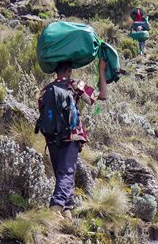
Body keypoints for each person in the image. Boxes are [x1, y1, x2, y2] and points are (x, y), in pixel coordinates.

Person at [40, 59, 108, 220]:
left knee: (61, 174)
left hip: (51, 137)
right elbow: (102, 96)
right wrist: (102, 71)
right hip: (71, 135)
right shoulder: (75, 84)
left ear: (55, 72)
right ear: (69, 71)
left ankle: (67, 212)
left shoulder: (45, 90)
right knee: (67, 173)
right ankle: (55, 208)